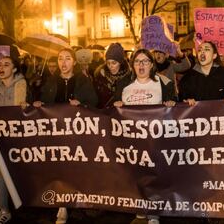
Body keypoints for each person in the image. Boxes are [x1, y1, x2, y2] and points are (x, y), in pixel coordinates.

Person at [33, 48, 98, 224]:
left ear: (74, 62)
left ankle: (81, 195)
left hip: (77, 135)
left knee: (76, 167)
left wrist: (82, 104)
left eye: (67, 58)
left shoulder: (83, 81)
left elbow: (94, 103)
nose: (63, 62)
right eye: (60, 58)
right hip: (57, 135)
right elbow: (44, 102)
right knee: (61, 168)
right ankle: (62, 207)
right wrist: (39, 103)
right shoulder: (51, 81)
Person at [113, 49, 175, 224]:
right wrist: (117, 104)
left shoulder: (163, 84)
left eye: (145, 61)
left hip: (154, 140)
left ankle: (154, 213)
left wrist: (171, 103)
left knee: (153, 176)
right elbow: (113, 112)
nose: (141, 65)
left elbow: (173, 106)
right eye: (137, 61)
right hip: (131, 141)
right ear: (132, 65)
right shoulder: (124, 86)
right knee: (136, 176)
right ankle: (140, 208)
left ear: (151, 65)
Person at [0, 54, 27, 224]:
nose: (1, 68)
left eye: (6, 65)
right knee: (1, 173)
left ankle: (21, 199)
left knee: (17, 171)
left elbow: (17, 109)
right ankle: (4, 210)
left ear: (14, 69)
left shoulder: (21, 84)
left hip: (16, 137)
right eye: (0, 65)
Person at [94, 43, 131, 108]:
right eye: (108, 63)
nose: (111, 66)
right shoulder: (100, 76)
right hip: (103, 114)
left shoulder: (129, 77)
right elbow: (95, 98)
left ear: (120, 62)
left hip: (121, 115)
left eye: (114, 63)